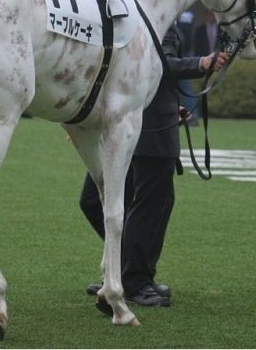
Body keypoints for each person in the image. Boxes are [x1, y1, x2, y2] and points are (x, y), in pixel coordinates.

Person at [80, 24, 229, 307]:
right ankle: (134, 280)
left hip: (133, 123)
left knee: (111, 200)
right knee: (143, 204)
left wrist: (174, 104)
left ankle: (124, 273)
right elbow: (160, 63)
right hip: (146, 128)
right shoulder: (158, 19)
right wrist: (202, 63)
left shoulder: (130, 19)